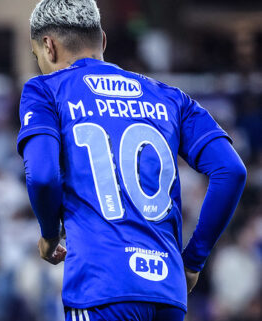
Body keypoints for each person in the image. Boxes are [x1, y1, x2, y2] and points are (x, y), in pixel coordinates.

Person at [17, 1, 247, 321]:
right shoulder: (170, 97)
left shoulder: (45, 89)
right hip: (167, 292)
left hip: (101, 287)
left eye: (36, 56)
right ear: (103, 41)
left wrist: (49, 234)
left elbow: (42, 176)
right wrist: (193, 261)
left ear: (48, 46)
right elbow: (231, 171)